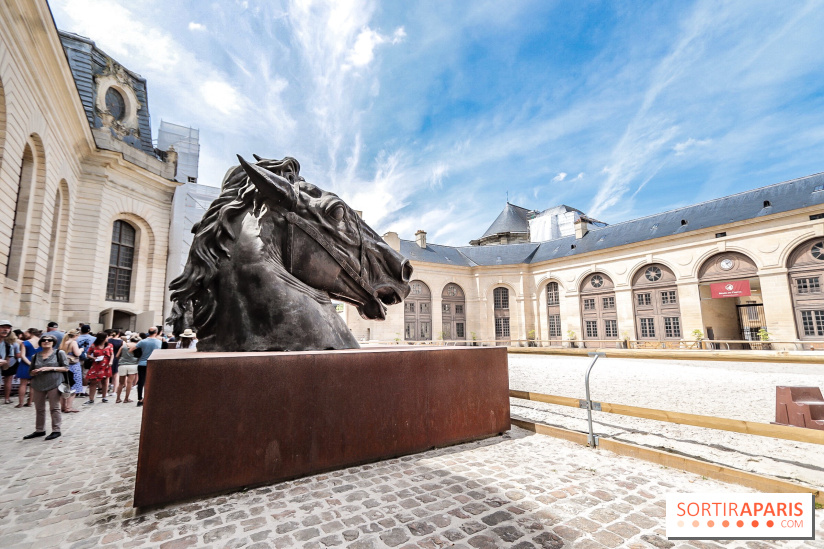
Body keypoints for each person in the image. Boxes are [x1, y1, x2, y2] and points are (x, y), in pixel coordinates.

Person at [25, 334, 68, 440]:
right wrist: (34, 372)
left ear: (53, 343)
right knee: (39, 408)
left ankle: (56, 430)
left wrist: (51, 368)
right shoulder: (35, 356)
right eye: (44, 340)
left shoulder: (59, 353)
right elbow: (30, 372)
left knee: (54, 407)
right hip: (38, 383)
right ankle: (40, 430)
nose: (46, 341)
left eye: (49, 340)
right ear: (40, 343)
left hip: (55, 382)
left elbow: (66, 368)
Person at [135, 327, 162, 407]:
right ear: (156, 332)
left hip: (142, 363)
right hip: (153, 363)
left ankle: (140, 399)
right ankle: (151, 398)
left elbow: (132, 349)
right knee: (153, 381)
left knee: (141, 381)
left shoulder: (142, 341)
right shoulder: (158, 342)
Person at [84, 332, 113, 404]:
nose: (107, 338)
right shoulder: (94, 345)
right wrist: (93, 358)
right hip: (96, 365)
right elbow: (88, 354)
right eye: (106, 337)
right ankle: (91, 399)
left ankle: (104, 397)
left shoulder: (109, 345)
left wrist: (111, 361)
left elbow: (112, 354)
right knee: (93, 381)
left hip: (106, 365)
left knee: (105, 381)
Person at [58, 330, 83, 412]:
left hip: (64, 366)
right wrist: (81, 350)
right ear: (75, 335)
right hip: (73, 366)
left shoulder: (63, 343)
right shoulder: (73, 342)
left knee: (64, 387)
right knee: (73, 387)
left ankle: (63, 406)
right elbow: (77, 353)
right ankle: (68, 407)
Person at [1, 321, 22, 404]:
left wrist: (5, 363)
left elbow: (8, 359)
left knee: (8, 381)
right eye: (3, 327)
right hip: (11, 364)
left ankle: (7, 398)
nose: (6, 329)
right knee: (8, 381)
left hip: (8, 365)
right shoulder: (14, 344)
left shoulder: (8, 345)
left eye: (8, 328)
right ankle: (7, 398)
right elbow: (17, 355)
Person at [116, 334, 140, 403]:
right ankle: (126, 398)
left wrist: (121, 359)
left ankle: (118, 398)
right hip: (133, 365)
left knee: (121, 383)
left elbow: (117, 356)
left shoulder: (123, 346)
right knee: (129, 383)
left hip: (122, 365)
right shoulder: (137, 346)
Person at [14, 329, 35, 407]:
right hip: (36, 362)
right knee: (33, 385)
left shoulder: (25, 343)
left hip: (26, 362)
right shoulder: (41, 342)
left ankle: (21, 403)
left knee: (23, 384)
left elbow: (22, 355)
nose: (24, 334)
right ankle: (30, 402)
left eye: (26, 332)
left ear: (31, 333)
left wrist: (29, 363)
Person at [107, 329, 123, 397]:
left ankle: (105, 390)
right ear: (118, 334)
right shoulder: (121, 341)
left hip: (108, 357)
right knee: (116, 374)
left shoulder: (108, 340)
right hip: (117, 358)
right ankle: (114, 390)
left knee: (107, 375)